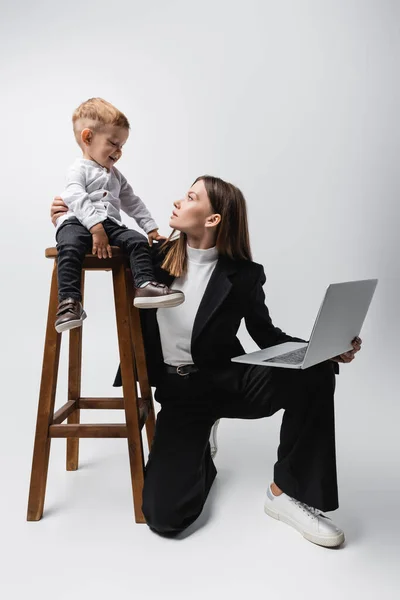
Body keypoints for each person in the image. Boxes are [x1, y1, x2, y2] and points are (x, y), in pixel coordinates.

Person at [50, 175, 362, 547]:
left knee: (317, 372)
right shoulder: (150, 259)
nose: (179, 201)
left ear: (213, 219)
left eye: (191, 196)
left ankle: (287, 494)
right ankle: (201, 451)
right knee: (165, 517)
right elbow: (98, 245)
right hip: (180, 393)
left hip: (227, 379)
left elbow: (267, 336)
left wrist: (322, 349)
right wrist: (70, 219)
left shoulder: (244, 273)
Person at [54, 97, 184, 333]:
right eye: (113, 143)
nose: (118, 151)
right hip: (77, 221)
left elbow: (131, 201)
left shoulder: (116, 175)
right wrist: (95, 228)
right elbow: (74, 196)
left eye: (122, 146)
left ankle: (144, 284)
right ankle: (69, 302)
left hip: (109, 224)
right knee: (70, 246)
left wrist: (150, 227)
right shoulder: (78, 169)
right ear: (88, 138)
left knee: (135, 240)